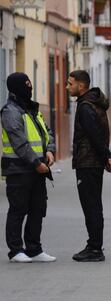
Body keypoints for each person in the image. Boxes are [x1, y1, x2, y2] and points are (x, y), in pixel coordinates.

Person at [1, 72, 56, 263]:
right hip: (18, 169)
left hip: (38, 168)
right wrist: (36, 163)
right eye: (26, 86)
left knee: (37, 208)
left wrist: (50, 150)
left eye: (30, 85)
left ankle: (34, 248)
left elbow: (46, 132)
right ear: (16, 89)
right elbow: (19, 143)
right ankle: (16, 250)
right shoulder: (10, 111)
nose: (29, 89)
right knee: (18, 209)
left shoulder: (32, 109)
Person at [67, 70, 111, 262]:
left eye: (70, 84)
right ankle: (94, 245)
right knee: (94, 205)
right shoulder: (94, 103)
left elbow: (95, 135)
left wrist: (106, 158)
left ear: (81, 85)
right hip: (93, 161)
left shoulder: (86, 107)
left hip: (87, 162)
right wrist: (105, 158)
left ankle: (95, 248)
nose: (67, 87)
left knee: (91, 206)